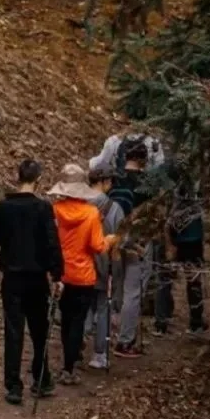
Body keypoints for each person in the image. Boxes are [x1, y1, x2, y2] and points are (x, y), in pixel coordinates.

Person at [0, 157, 64, 405]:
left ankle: (13, 385)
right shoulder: (43, 208)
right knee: (39, 328)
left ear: (18, 177)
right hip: (35, 276)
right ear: (38, 180)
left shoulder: (3, 207)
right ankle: (41, 377)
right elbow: (52, 242)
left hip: (12, 275)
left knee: (13, 330)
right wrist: (57, 274)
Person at [47, 163, 118, 384]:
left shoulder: (56, 210)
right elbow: (97, 246)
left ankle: (68, 361)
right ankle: (70, 366)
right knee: (77, 320)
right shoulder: (90, 213)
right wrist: (110, 239)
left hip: (62, 273)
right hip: (84, 274)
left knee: (66, 318)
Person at [108, 141, 151, 358]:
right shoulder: (146, 184)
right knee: (133, 291)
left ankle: (111, 329)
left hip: (114, 238)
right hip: (137, 241)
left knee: (117, 285)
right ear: (143, 159)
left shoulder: (114, 180)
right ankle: (125, 340)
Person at [154, 171, 207, 336]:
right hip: (191, 241)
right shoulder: (194, 201)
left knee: (166, 279)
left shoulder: (175, 197)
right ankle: (195, 321)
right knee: (192, 281)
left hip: (181, 239)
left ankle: (162, 322)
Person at [87, 161, 125, 369]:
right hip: (101, 263)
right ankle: (99, 354)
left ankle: (75, 346)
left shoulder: (75, 203)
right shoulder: (113, 208)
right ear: (104, 182)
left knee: (81, 306)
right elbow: (120, 237)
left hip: (77, 263)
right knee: (102, 307)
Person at [92, 130, 166, 178]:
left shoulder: (114, 141)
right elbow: (158, 169)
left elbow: (97, 164)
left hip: (119, 179)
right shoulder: (155, 144)